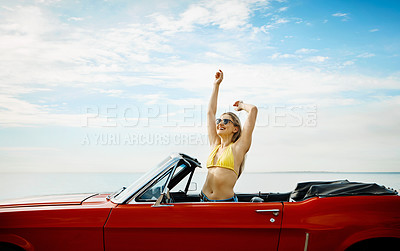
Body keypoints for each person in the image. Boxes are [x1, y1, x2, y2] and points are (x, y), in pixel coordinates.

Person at [201, 69, 258, 202]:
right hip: (204, 200)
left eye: (226, 121)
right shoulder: (215, 144)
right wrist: (216, 85)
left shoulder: (238, 148)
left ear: (235, 129)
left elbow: (253, 110)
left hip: (224, 204)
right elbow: (210, 112)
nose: (220, 123)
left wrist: (241, 105)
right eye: (219, 121)